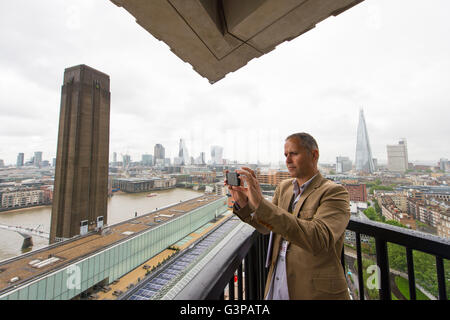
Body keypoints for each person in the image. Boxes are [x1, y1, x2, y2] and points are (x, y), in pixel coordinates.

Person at [227, 132, 350, 300]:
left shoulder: (334, 192)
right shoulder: (284, 187)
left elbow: (319, 238)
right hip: (278, 280)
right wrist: (244, 204)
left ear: (314, 155)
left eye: (294, 153)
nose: (287, 160)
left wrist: (261, 203)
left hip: (312, 290)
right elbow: (266, 225)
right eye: (286, 155)